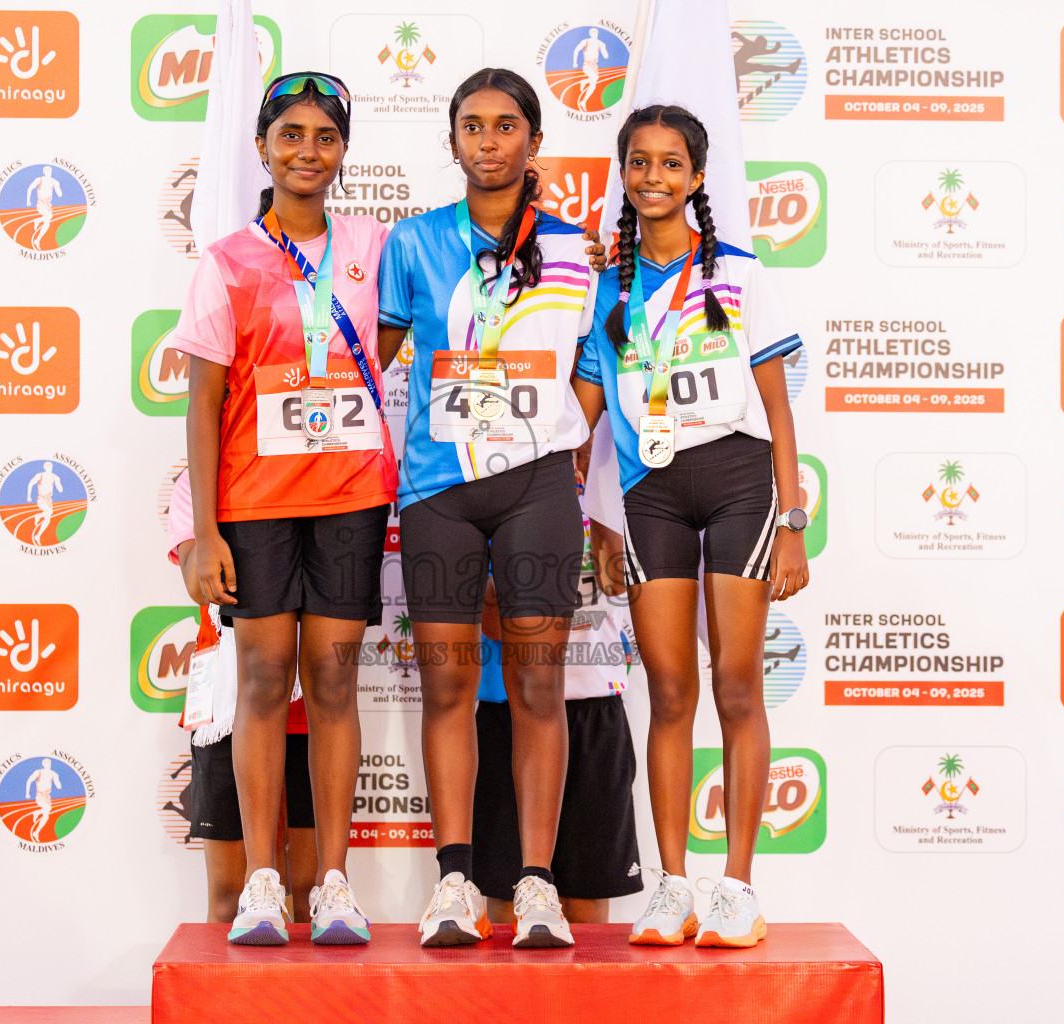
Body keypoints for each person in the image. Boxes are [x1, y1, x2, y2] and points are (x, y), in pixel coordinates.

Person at [572, 104, 809, 949]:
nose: (654, 178)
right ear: (624, 174)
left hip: (742, 483)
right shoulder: (609, 288)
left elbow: (780, 414)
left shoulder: (740, 274)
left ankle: (738, 887)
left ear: (697, 178)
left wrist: (794, 522)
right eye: (638, 163)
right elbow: (584, 420)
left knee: (736, 685)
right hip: (651, 495)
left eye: (672, 164)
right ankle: (671, 888)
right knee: (669, 693)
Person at [377, 67, 598, 949]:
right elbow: (367, 360)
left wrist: (546, 435)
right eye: (472, 126)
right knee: (449, 685)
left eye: (507, 126)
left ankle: (537, 884)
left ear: (533, 141)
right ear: (454, 140)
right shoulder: (413, 241)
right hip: (438, 492)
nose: (488, 140)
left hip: (540, 488)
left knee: (540, 683)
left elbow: (597, 366)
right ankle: (456, 882)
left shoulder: (579, 249)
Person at [176, 71, 396, 946]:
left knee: (336, 681)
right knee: (266, 681)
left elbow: (474, 270)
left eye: (326, 137)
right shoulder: (228, 259)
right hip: (257, 502)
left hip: (349, 496)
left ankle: (334, 883)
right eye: (291, 135)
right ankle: (265, 880)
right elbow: (200, 401)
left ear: (344, 151)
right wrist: (204, 530)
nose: (309, 151)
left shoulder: (374, 245)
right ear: (263, 147)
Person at [472, 449, 642, 928]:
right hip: (509, 704)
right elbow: (490, 620)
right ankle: (509, 1005)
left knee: (589, 899)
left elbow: (621, 584)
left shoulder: (614, 470)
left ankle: (587, 1006)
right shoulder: (497, 471)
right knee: (507, 903)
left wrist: (599, 512)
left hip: (595, 704)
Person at [165, 468, 318, 928]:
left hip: (306, 709)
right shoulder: (195, 484)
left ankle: (312, 1002)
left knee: (310, 893)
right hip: (226, 706)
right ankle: (222, 1000)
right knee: (229, 896)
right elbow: (199, 584)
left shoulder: (309, 473)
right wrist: (227, 521)